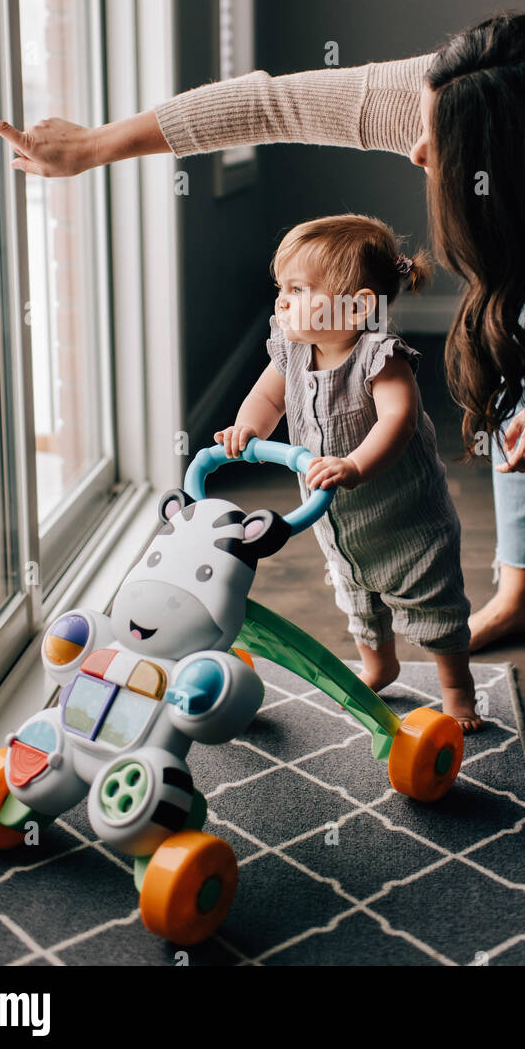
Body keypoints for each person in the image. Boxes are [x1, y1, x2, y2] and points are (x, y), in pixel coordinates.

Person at [0, 8, 525, 742]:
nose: (418, 153)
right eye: (423, 129)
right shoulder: (454, 95)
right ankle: (522, 593)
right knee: (521, 358)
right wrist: (92, 148)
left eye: (438, 150)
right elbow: (267, 106)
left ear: (517, 166)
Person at [213, 212, 481, 732]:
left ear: (358, 305)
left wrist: (357, 464)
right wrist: (247, 428)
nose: (281, 300)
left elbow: (398, 420)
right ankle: (380, 665)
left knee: (432, 605)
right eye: (280, 287)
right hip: (338, 522)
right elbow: (269, 397)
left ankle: (456, 688)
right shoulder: (291, 348)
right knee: (356, 597)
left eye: (297, 288)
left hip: (406, 521)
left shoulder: (380, 358)